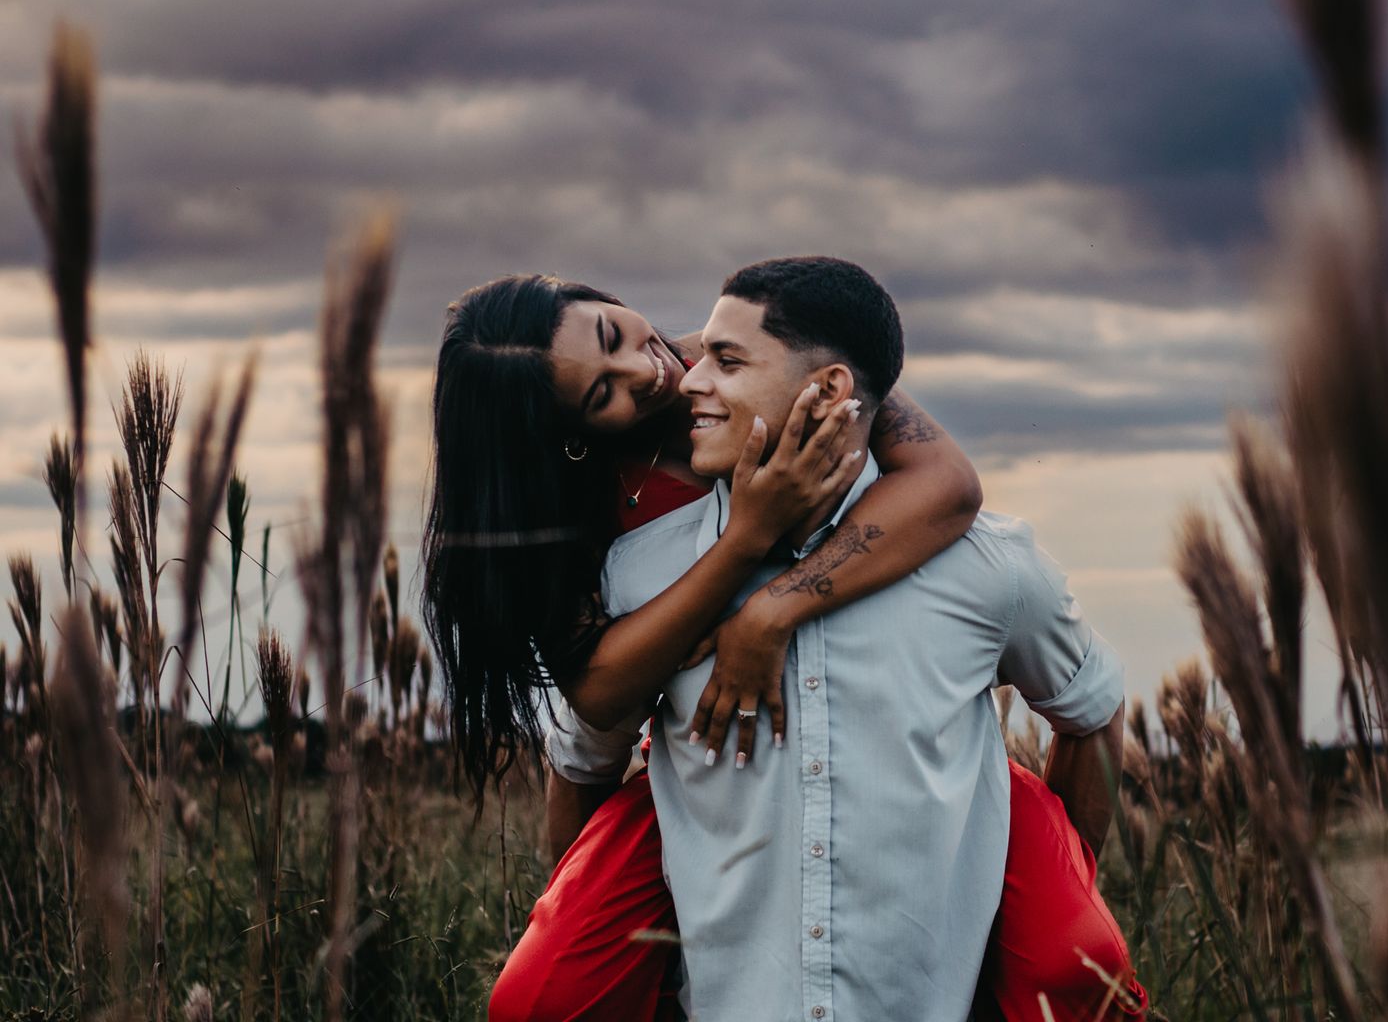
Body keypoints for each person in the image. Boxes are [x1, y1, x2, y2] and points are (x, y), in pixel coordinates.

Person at [420, 271, 1146, 1021]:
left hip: (900, 752)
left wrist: (767, 614)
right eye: (602, 393)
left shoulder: (746, 352)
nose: (651, 372)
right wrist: (748, 539)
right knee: (546, 995)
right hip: (706, 766)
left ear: (601, 299)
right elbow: (595, 706)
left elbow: (947, 480)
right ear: (569, 436)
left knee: (1069, 960)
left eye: (612, 332)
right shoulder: (593, 525)